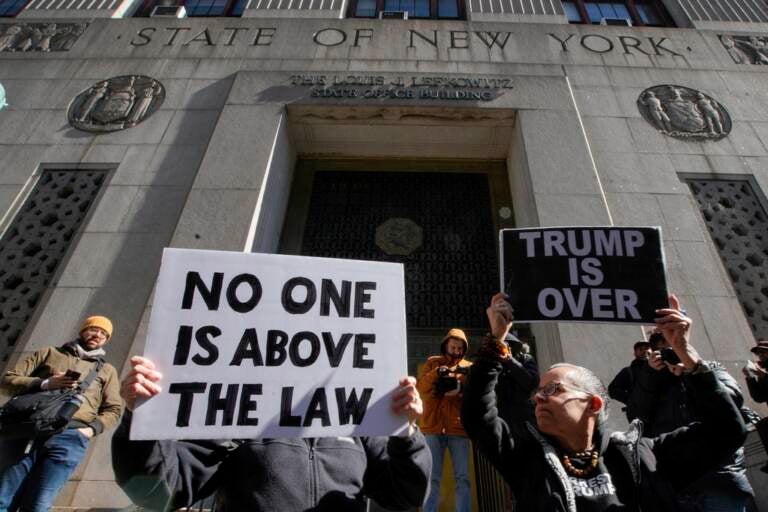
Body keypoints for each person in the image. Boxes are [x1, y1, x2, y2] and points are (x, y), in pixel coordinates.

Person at [461, 293, 746, 511]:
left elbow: (728, 430)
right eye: (539, 391)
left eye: (553, 389)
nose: (538, 396)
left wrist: (686, 354)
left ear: (593, 404)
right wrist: (495, 341)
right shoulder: (527, 459)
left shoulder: (645, 456)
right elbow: (478, 417)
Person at [112, 355, 430, 512]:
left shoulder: (359, 427)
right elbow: (158, 491)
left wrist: (406, 433)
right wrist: (142, 418)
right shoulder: (236, 420)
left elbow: (407, 495)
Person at [0, 316, 124, 512]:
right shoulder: (49, 353)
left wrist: (91, 430)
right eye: (93, 329)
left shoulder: (107, 370)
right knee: (3, 498)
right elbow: (7, 380)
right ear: (83, 331)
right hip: (27, 432)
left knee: (39, 504)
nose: (97, 335)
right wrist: (45, 383)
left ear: (107, 340)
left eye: (103, 333)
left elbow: (114, 408)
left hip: (70, 437)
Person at [631, 328, 753, 510]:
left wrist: (691, 370)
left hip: (719, 478)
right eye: (661, 348)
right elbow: (636, 416)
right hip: (676, 484)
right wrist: (649, 375)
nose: (668, 351)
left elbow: (731, 400)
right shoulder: (653, 382)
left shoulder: (708, 368)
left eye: (672, 345)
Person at [416, 328, 472, 512]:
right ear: (446, 345)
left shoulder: (469, 367)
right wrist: (436, 374)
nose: (455, 351)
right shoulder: (433, 363)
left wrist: (460, 391)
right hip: (432, 427)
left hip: (457, 428)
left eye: (459, 348)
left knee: (462, 477)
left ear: (463, 349)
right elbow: (421, 388)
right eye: (453, 346)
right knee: (432, 477)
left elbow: (477, 395)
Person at [496, 332, 539, 426]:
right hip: (501, 414)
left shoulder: (525, 359)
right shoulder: (495, 362)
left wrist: (510, 361)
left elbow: (531, 382)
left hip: (523, 413)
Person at [606, 339, 650, 421]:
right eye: (641, 349)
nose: (645, 351)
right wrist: (632, 401)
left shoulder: (661, 368)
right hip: (640, 416)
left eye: (647, 348)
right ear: (635, 353)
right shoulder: (629, 371)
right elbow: (612, 390)